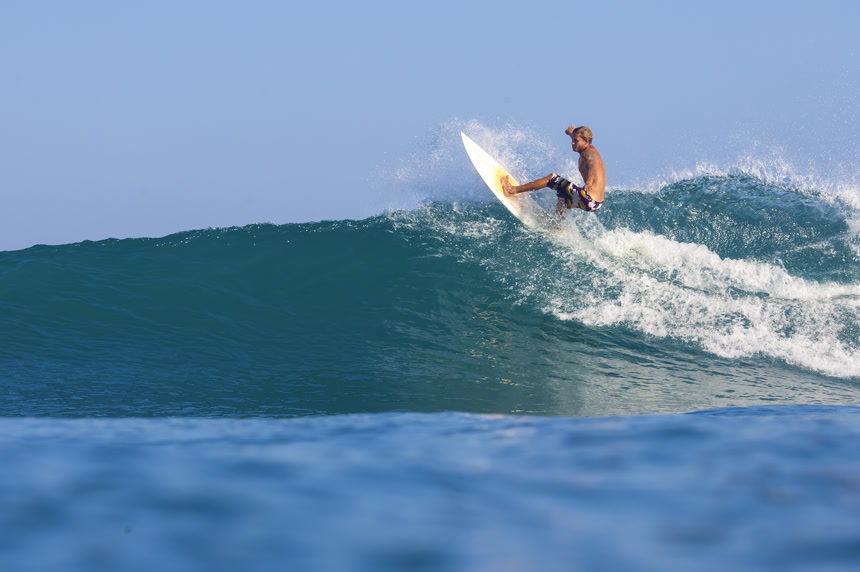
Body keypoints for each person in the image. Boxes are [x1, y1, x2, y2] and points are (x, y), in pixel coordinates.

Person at [501, 125, 606, 216]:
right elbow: (586, 155)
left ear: (586, 141)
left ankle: (512, 190)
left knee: (553, 178)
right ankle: (557, 224)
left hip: (588, 198)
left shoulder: (589, 152)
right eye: (572, 139)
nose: (572, 143)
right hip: (595, 204)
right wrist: (571, 133)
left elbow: (590, 164)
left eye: (575, 141)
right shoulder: (588, 149)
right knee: (563, 197)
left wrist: (589, 181)